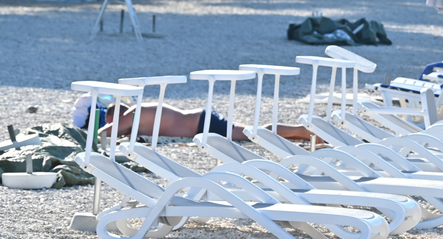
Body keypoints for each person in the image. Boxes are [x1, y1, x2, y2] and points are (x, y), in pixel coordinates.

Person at [73, 93, 314, 143]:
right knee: (250, 133)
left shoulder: (131, 114)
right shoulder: (139, 110)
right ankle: (302, 137)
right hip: (200, 118)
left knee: (251, 134)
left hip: (201, 123)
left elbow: (104, 135)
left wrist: (107, 126)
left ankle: (301, 131)